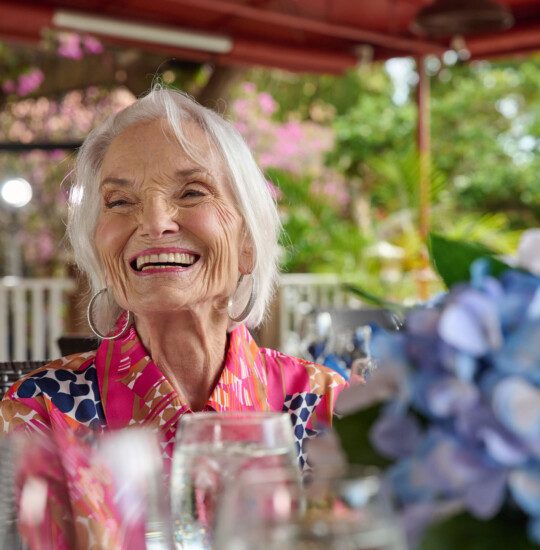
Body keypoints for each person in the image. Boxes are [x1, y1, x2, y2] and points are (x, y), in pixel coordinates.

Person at [0, 87, 347, 546]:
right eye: (120, 202)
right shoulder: (38, 415)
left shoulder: (324, 408)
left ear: (247, 244)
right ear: (100, 251)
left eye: (191, 192)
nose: (155, 221)